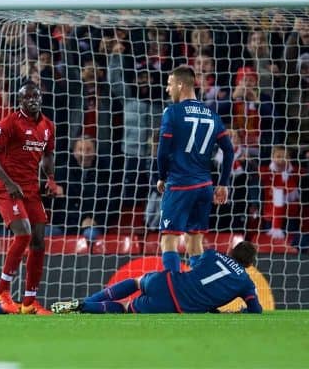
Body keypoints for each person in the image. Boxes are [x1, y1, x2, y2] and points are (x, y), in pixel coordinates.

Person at [0, 80, 59, 315]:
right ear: (20, 101)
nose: (32, 100)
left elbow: (47, 155)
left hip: (31, 189)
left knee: (38, 240)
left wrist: (50, 178)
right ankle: (2, 290)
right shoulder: (10, 123)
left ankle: (29, 302)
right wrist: (8, 182)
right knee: (24, 233)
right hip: (6, 188)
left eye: (35, 96)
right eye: (27, 97)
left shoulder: (47, 126)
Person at [157, 65, 234, 272]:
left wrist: (161, 176)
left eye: (169, 84)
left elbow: (162, 153)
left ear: (181, 85)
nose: (167, 89)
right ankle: (197, 296)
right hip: (204, 186)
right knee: (195, 242)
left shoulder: (172, 112)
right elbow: (229, 150)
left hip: (180, 184)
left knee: (169, 240)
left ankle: (172, 294)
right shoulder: (211, 114)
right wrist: (223, 184)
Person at [51, 241, 262, 314]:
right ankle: (82, 306)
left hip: (167, 281)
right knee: (125, 308)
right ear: (249, 264)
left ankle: (86, 300)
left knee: (135, 282)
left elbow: (196, 269)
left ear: (231, 251)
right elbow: (256, 310)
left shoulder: (213, 254)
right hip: (175, 304)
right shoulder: (245, 282)